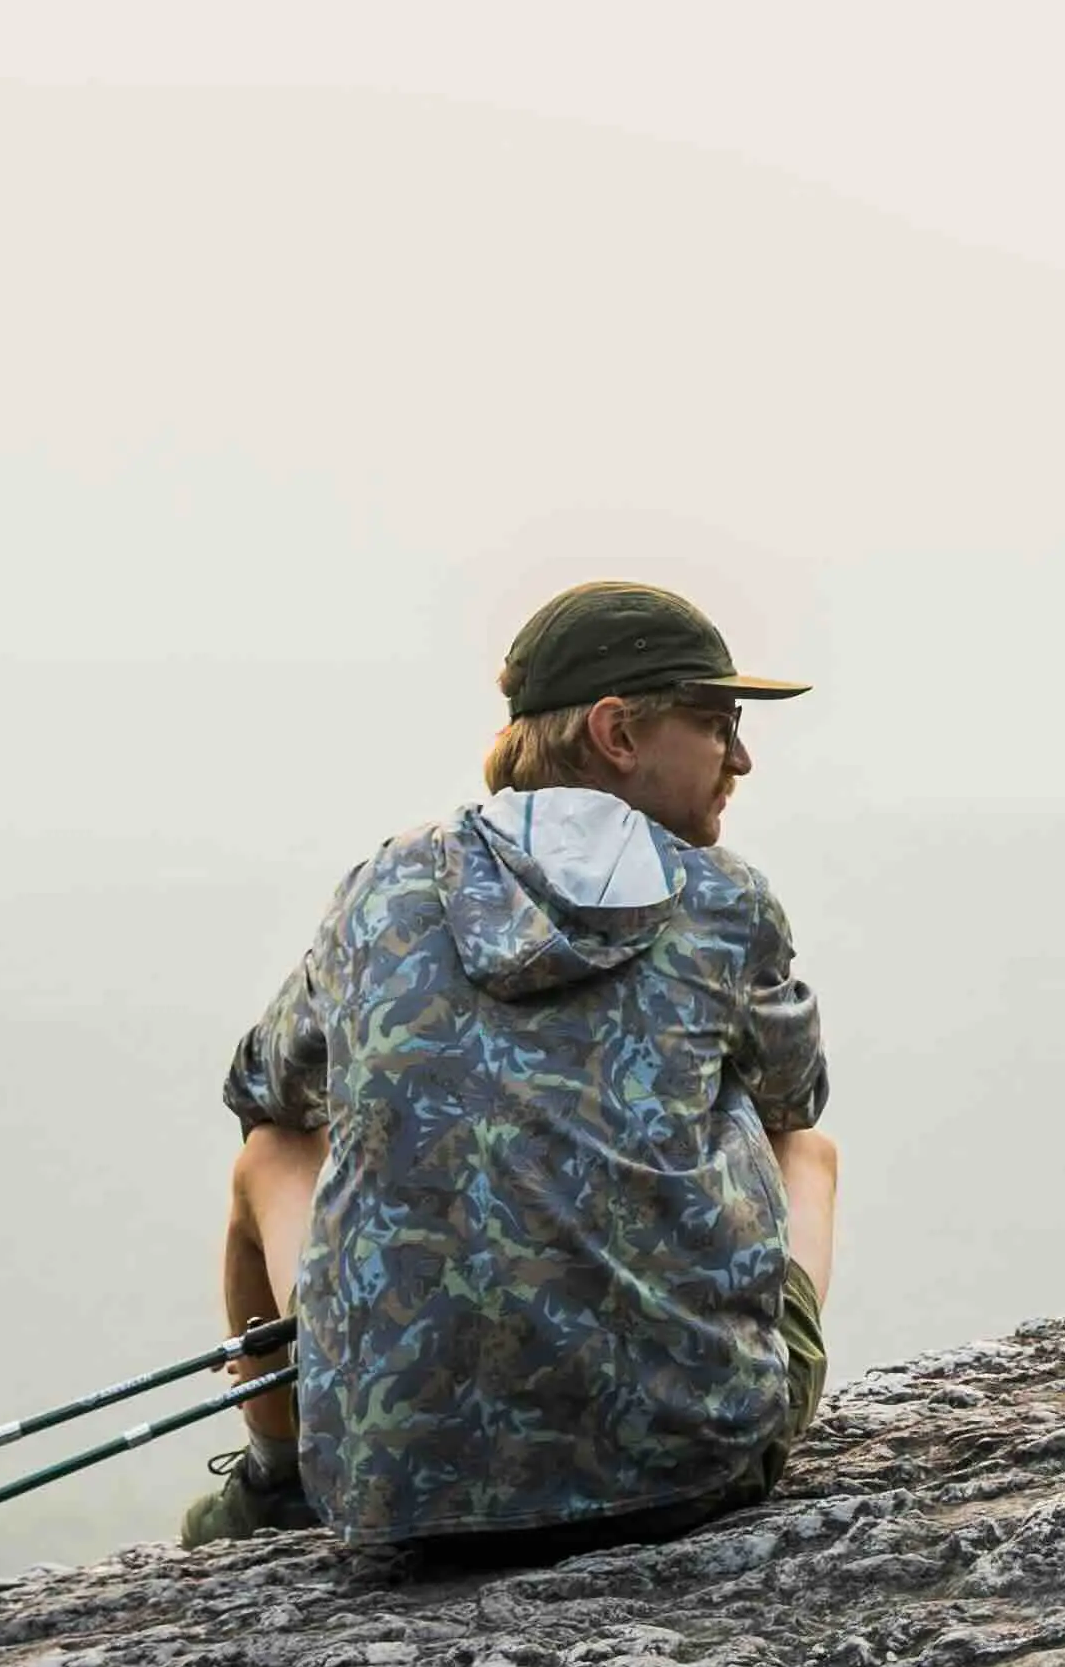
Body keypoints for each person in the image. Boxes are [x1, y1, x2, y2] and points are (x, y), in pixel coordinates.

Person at [184, 580, 844, 1565]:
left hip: (394, 1494)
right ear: (618, 732)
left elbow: (264, 1092)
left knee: (273, 1153)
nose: (739, 758)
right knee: (806, 1150)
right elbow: (794, 1100)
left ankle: (278, 1477)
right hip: (687, 1477)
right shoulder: (724, 901)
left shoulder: (389, 883)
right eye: (716, 723)